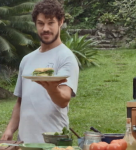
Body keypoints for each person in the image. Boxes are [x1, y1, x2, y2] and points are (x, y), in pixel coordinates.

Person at [1, 0, 79, 143]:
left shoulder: (66, 57)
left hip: (53, 142)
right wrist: (10, 129)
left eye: (51, 23)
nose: (45, 29)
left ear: (60, 22)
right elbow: (20, 101)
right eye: (41, 23)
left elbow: (64, 100)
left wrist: (52, 88)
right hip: (25, 142)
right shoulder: (27, 60)